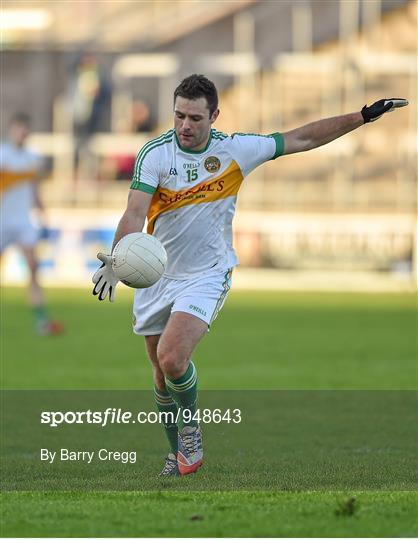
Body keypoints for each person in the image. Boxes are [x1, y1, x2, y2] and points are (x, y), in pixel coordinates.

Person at [92, 74, 408, 476]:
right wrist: (117, 261)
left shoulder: (236, 149)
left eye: (194, 117)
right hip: (158, 275)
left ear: (214, 116)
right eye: (178, 116)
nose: (185, 125)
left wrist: (361, 117)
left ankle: (190, 433)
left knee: (173, 359)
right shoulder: (155, 153)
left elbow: (302, 139)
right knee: (159, 375)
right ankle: (176, 456)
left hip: (208, 272)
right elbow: (135, 212)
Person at [1, 113, 64, 336]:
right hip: (2, 221)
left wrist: (43, 214)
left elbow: (34, 191)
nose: (22, 134)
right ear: (11, 130)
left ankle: (41, 321)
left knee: (33, 268)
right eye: (19, 129)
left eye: (25, 130)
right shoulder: (2, 155)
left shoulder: (32, 159)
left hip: (23, 221)